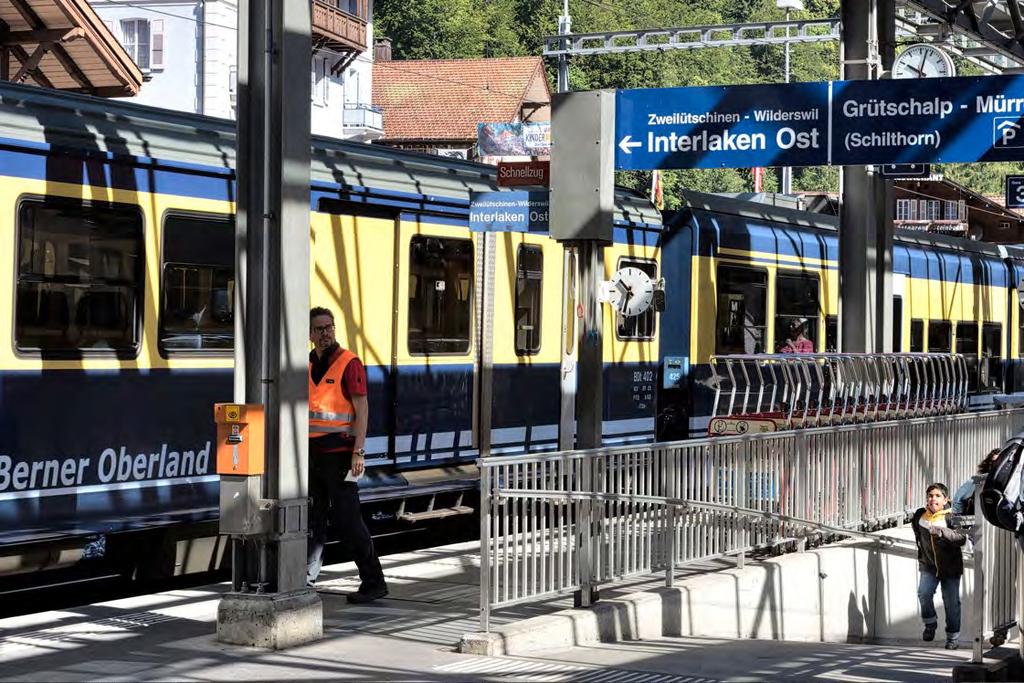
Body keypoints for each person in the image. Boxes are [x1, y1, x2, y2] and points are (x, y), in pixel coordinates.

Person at [307, 306, 388, 603]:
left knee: (348, 520)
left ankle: (373, 581)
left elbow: (362, 409)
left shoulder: (348, 363)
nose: (326, 333)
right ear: (310, 334)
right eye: (319, 328)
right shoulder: (307, 364)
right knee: (312, 518)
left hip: (341, 453)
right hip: (313, 453)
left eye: (329, 327)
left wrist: (359, 452)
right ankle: (306, 580)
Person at [912, 483, 967, 650]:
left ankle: (952, 638)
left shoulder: (952, 516)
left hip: (950, 568)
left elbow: (961, 538)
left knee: (951, 603)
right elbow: (918, 535)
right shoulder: (920, 516)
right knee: (923, 593)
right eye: (930, 496)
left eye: (937, 496)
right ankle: (930, 624)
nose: (932, 499)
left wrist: (942, 532)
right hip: (928, 566)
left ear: (945, 500)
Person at [952, 448, 1002, 515]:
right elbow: (957, 499)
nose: (997, 466)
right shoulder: (978, 480)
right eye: (994, 462)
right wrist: (960, 519)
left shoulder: (1014, 482)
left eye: (1000, 462)